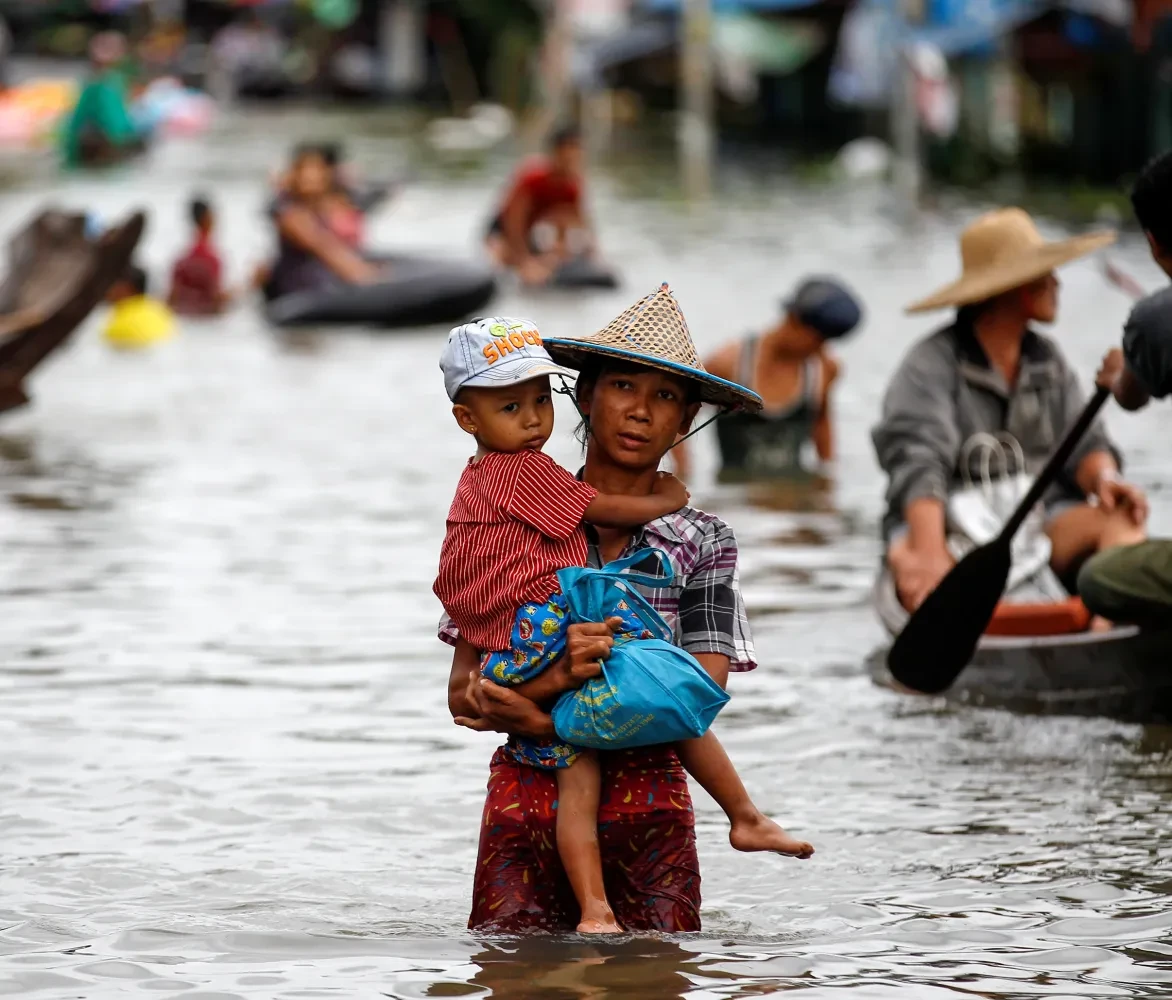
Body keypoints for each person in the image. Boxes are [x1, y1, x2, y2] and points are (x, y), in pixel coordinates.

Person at [443, 285, 812, 934]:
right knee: (512, 976)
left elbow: (703, 691)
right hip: (527, 799)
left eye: (665, 396)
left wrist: (550, 699)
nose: (641, 411)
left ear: (687, 417)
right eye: (621, 387)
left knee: (656, 972)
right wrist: (548, 686)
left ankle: (743, 820)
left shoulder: (703, 539)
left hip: (651, 810)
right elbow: (463, 696)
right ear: (584, 396)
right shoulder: (513, 505)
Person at [871, 208, 1148, 633]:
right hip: (950, 525)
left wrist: (1106, 480)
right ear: (1015, 289)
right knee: (920, 574)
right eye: (1046, 275)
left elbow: (1086, 445)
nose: (1057, 283)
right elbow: (918, 465)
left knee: (1122, 521)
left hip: (1040, 522)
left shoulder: (1047, 361)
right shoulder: (930, 365)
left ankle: (1102, 635)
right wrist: (928, 554)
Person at [1079, 152, 1172, 626]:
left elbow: (1131, 395)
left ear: (1154, 244)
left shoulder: (1157, 320)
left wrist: (1122, 370)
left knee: (1098, 578)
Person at [673, 278, 863, 483]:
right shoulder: (729, 363)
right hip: (737, 499)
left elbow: (822, 423)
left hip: (794, 498)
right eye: (817, 340)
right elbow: (676, 416)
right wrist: (684, 475)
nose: (820, 349)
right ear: (793, 319)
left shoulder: (823, 369)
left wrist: (827, 481)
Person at [262, 144, 381, 302]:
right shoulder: (289, 213)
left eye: (316, 169)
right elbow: (325, 248)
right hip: (300, 292)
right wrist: (371, 279)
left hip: (326, 280)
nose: (309, 176)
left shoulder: (328, 205)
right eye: (303, 169)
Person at [486, 126, 593, 286]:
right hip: (502, 231)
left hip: (530, 234)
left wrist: (587, 255)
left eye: (578, 150)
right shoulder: (533, 177)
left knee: (551, 264)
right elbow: (513, 222)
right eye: (570, 150)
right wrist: (524, 261)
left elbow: (576, 221)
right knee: (502, 266)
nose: (575, 156)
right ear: (557, 151)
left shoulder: (572, 185)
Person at [60, 32, 147, 169]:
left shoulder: (105, 81)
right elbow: (116, 123)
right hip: (106, 143)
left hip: (98, 143)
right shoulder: (107, 84)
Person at [168, 197, 231, 317]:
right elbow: (217, 298)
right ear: (206, 218)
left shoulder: (181, 260)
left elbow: (172, 297)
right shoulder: (212, 258)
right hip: (207, 320)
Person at [103, 264, 175, 351]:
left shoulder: (121, 325)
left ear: (127, 288)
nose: (108, 289)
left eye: (112, 283)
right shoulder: (159, 309)